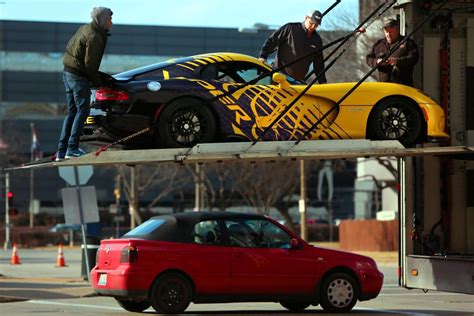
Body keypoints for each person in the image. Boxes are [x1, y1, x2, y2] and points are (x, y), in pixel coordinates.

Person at [56, 7, 113, 161]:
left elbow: (70, 48)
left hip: (67, 73)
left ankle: (62, 152)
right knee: (83, 111)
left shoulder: (84, 28)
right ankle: (72, 148)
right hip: (78, 76)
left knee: (72, 112)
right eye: (109, 19)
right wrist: (98, 83)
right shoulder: (94, 36)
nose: (111, 23)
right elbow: (90, 66)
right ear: (101, 20)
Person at [258, 10, 327, 83]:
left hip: (298, 83)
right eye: (311, 23)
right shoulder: (290, 28)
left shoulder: (317, 40)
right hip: (279, 79)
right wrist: (263, 56)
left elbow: (319, 64)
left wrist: (323, 82)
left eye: (316, 25)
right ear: (306, 17)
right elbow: (272, 41)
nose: (313, 27)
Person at [366, 17, 418, 87]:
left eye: (391, 31)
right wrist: (377, 61)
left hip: (403, 87)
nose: (388, 34)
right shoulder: (379, 44)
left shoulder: (407, 42)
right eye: (386, 31)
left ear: (397, 30)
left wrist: (397, 61)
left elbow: (413, 58)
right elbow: (369, 58)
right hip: (384, 87)